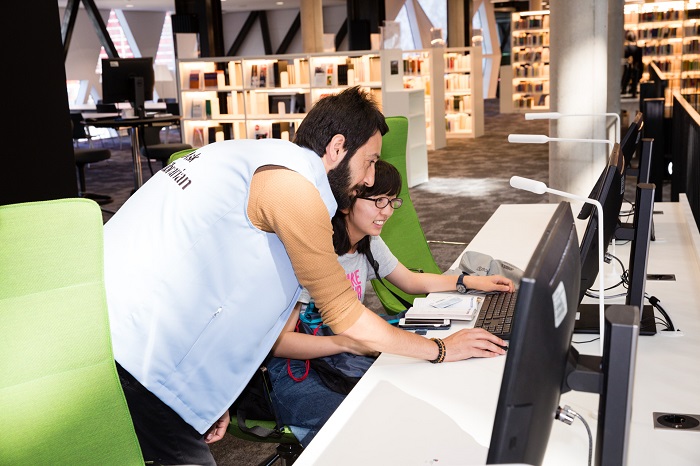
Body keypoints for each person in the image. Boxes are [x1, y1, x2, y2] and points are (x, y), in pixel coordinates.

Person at [103, 86, 508, 465]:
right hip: (138, 357)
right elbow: (346, 317)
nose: (369, 178)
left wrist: (212, 395)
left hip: (123, 336)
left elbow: (216, 283)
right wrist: (442, 348)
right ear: (337, 148)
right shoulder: (294, 190)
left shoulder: (252, 159)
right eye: (368, 162)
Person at [266, 160, 515, 447]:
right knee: (367, 429)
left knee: (418, 392)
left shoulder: (367, 242)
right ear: (347, 203)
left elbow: (410, 281)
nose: (386, 211)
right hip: (294, 370)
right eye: (378, 201)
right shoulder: (315, 254)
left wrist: (469, 282)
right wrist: (346, 344)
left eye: (391, 202)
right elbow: (280, 343)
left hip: (340, 353)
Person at [621, 30, 643, 97]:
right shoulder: (638, 48)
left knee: (626, 77)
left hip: (629, 67)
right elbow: (640, 61)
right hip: (636, 67)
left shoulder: (626, 48)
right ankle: (633, 91)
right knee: (635, 80)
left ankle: (624, 89)